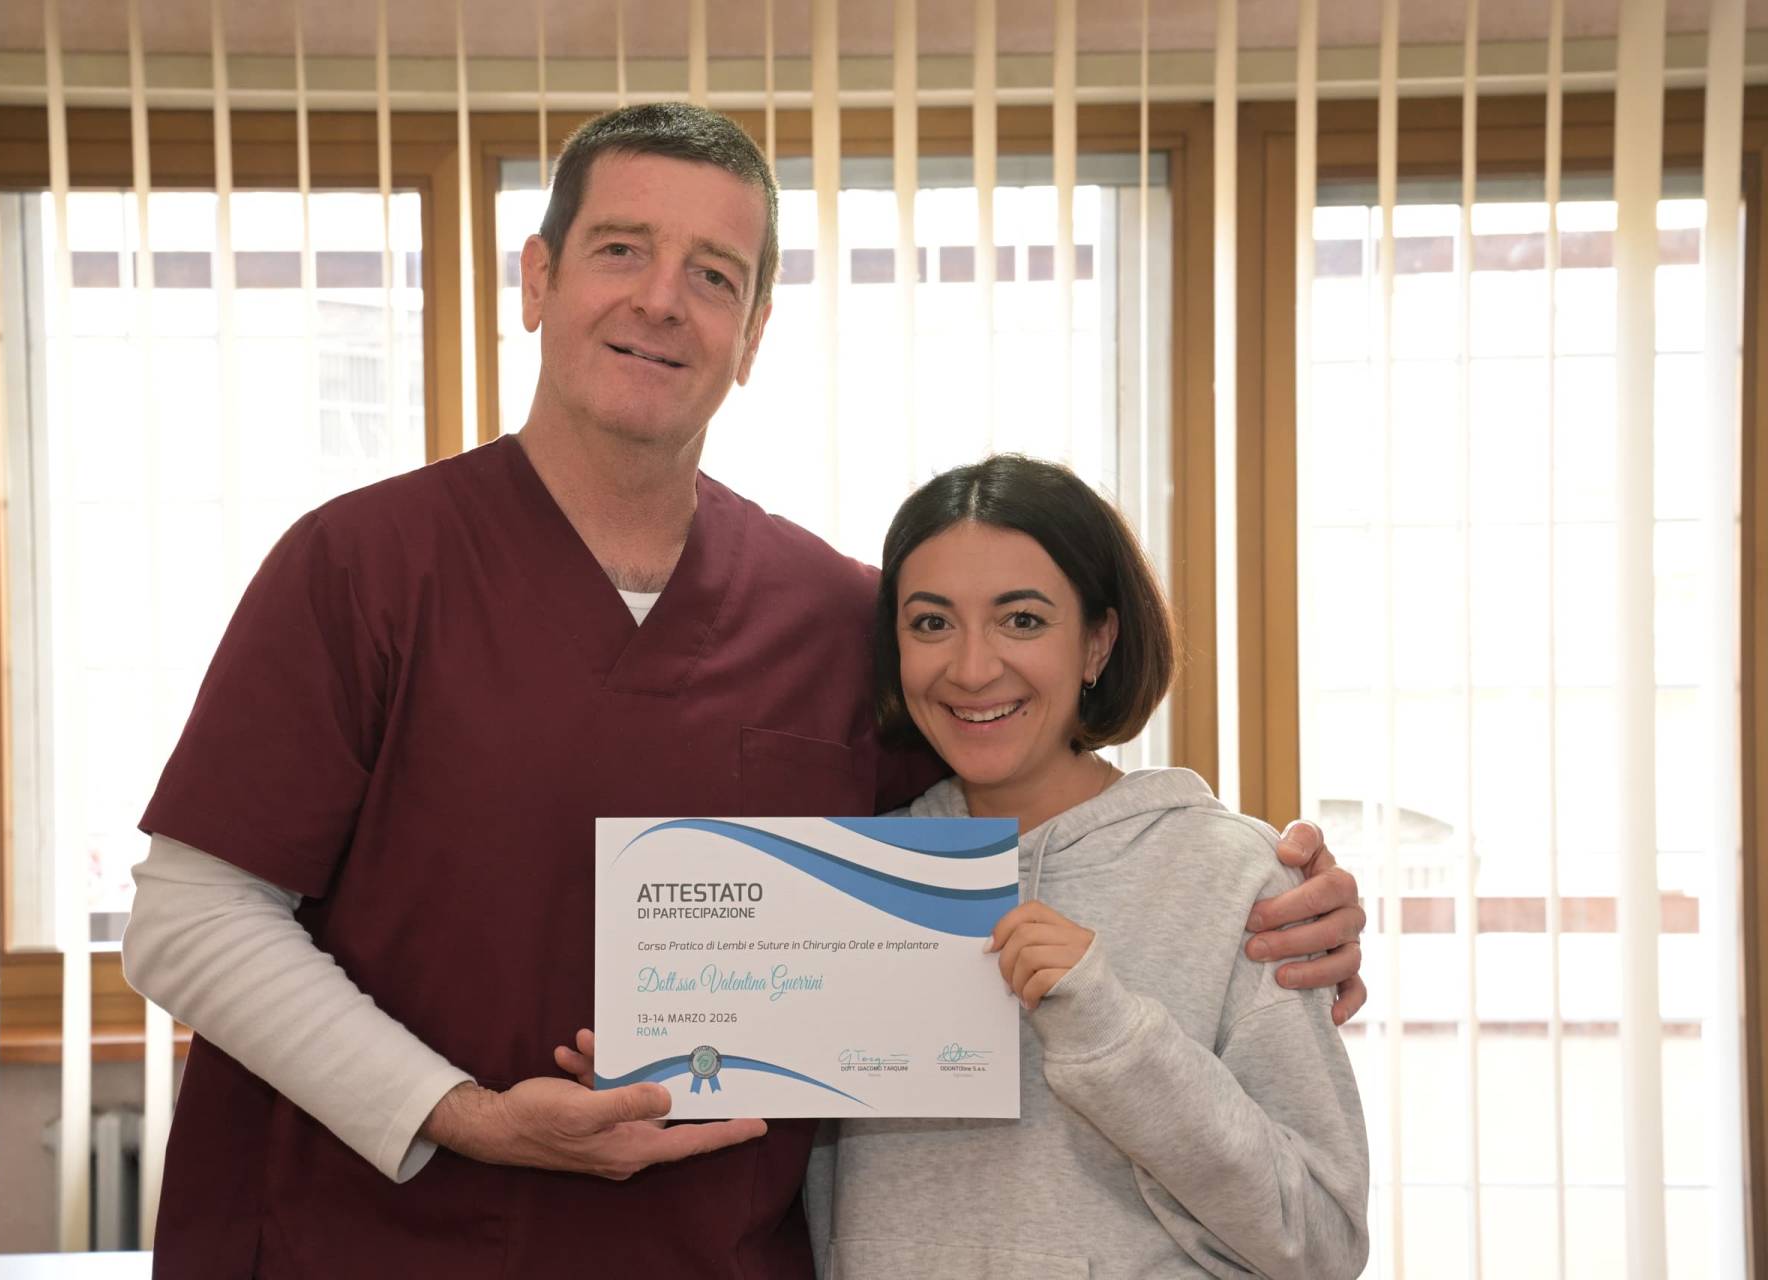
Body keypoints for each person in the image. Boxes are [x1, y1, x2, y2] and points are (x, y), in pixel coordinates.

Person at [121, 103, 1366, 1279]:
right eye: (622, 249)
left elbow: (1025, 807)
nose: (663, 299)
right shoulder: (362, 567)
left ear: (754, 333)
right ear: (538, 279)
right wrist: (468, 1113)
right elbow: (192, 917)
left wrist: (1273, 907)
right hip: (374, 1239)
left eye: (714, 274)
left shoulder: (836, 616)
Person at [804, 455, 1369, 1277]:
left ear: (1097, 643)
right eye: (931, 623)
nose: (972, 668)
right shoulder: (850, 877)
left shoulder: (1236, 879)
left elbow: (1322, 1241)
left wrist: (1114, 1034)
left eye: (1021, 620)